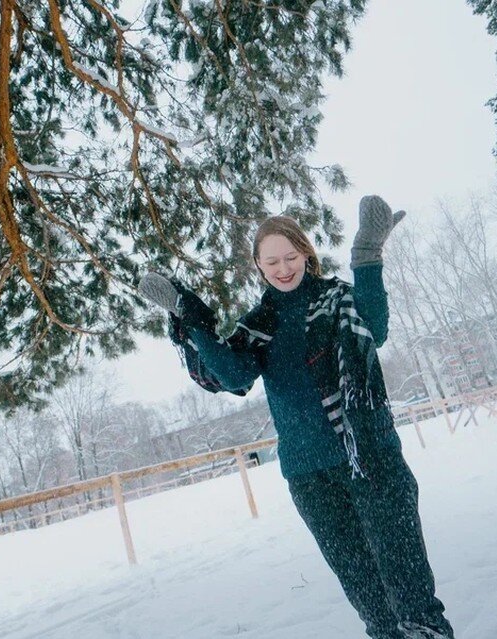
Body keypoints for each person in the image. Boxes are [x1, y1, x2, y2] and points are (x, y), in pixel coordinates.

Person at [139, 196, 455, 639]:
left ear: (306, 254)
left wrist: (366, 255)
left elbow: (375, 327)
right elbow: (231, 375)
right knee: (375, 610)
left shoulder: (337, 298)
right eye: (272, 262)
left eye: (291, 257)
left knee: (413, 602)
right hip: (311, 480)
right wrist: (189, 317)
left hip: (373, 461)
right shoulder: (259, 324)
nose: (283, 268)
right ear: (259, 266)